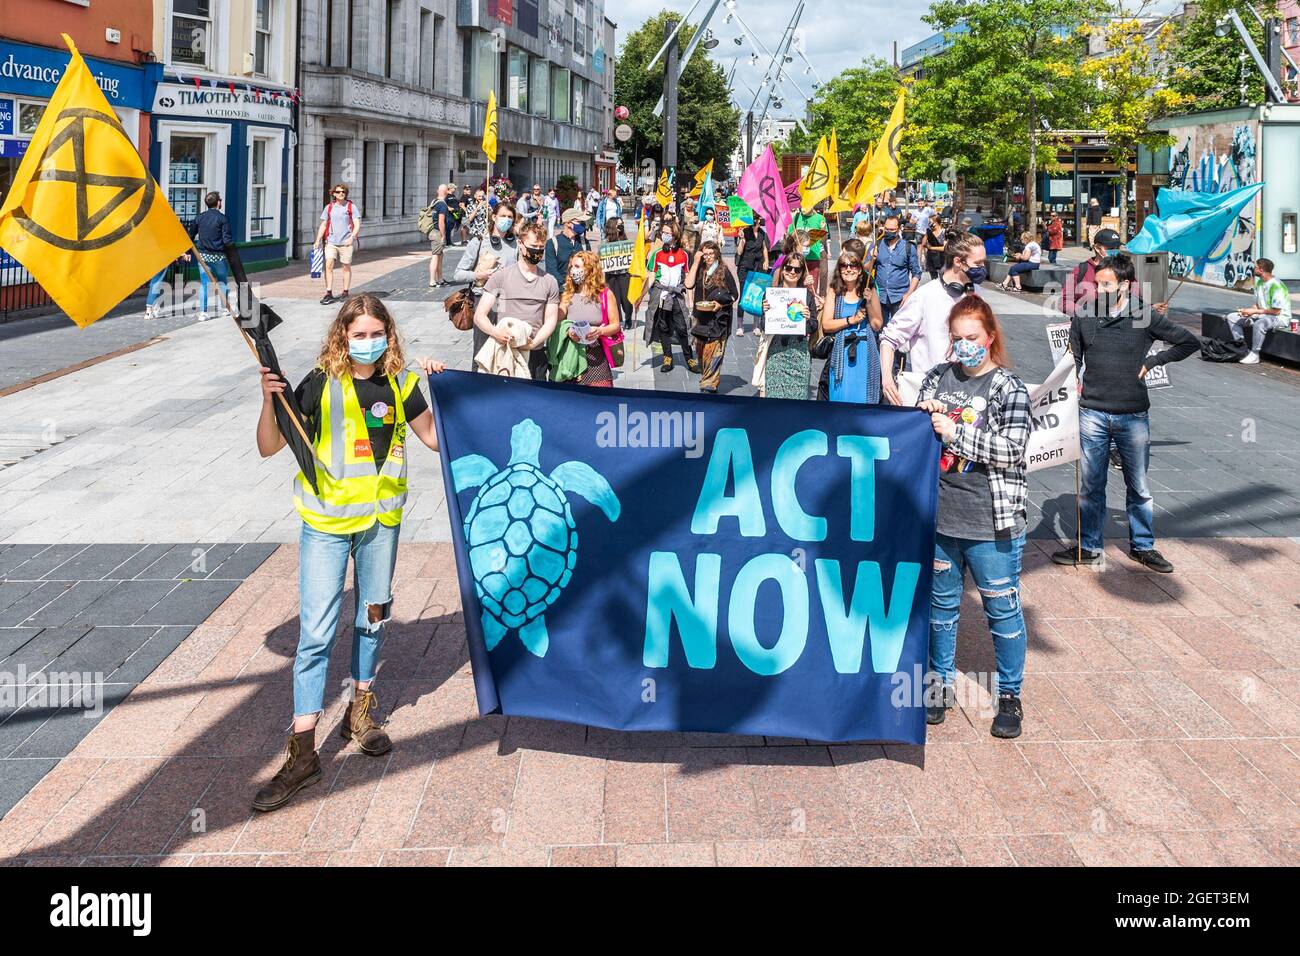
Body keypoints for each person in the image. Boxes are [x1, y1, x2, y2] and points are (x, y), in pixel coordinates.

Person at [251, 294, 445, 812]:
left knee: (374, 617)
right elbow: (270, 446)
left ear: (389, 334)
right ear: (343, 336)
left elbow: (434, 439)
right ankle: (303, 753)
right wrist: (269, 399)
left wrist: (445, 387)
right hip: (328, 524)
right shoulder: (320, 383)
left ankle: (359, 710)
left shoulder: (405, 383)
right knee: (315, 633)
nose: (367, 342)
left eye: (375, 332)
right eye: (357, 334)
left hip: (382, 524)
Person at [917, 295, 1032, 739]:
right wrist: (921, 415)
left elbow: (1013, 450)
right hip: (941, 517)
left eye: (972, 338)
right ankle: (939, 684)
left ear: (989, 338)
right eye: (956, 338)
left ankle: (1010, 696)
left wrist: (956, 433)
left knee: (1002, 611)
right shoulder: (936, 378)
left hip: (992, 522)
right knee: (941, 607)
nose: (964, 346)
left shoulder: (1008, 388)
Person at [1055, 253, 1199, 573]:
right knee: (1092, 486)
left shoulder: (1144, 315)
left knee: (1139, 486)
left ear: (1126, 285)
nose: (1100, 289)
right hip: (1092, 411)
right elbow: (1073, 358)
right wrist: (1067, 385)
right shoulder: (1084, 314)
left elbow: (1188, 342)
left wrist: (1153, 362)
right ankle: (1088, 545)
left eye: (1107, 285)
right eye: (1097, 284)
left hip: (1133, 415)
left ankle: (1143, 546)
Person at [880, 230, 988, 405]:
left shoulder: (976, 293)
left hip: (968, 393)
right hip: (931, 396)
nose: (982, 268)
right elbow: (889, 339)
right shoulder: (924, 296)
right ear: (958, 262)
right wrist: (887, 379)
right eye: (978, 263)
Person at [472, 220, 560, 382]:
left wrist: (534, 343)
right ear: (520, 244)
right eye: (533, 246)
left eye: (541, 248)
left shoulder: (549, 281)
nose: (537, 252)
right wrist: (495, 332)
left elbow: (550, 320)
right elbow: (480, 315)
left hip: (535, 353)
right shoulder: (501, 277)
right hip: (505, 351)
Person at [456, 202, 520, 360]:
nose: (506, 220)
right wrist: (479, 275)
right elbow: (458, 274)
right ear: (494, 217)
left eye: (510, 217)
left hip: (508, 300)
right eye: (503, 216)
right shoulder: (478, 242)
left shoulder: (517, 243)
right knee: (482, 349)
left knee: (506, 348)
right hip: (483, 299)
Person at [821, 252, 884, 404]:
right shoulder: (834, 291)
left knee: (863, 396)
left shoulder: (869, 289)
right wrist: (851, 320)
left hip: (864, 351)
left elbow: (877, 325)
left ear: (860, 269)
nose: (849, 269)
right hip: (841, 351)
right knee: (841, 395)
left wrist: (868, 303)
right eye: (844, 265)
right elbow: (827, 325)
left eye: (853, 265)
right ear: (839, 269)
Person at [556, 250, 621, 387]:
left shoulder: (605, 295)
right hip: (571, 356)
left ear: (590, 269)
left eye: (577, 267)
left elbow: (616, 325)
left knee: (600, 401)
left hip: (597, 357)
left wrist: (599, 331)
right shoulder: (568, 295)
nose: (573, 271)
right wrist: (568, 331)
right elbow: (557, 321)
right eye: (572, 267)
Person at [640, 220, 697, 373]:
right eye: (663, 232)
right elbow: (651, 277)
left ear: (675, 235)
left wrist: (690, 300)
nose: (664, 235)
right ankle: (668, 358)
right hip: (661, 295)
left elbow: (687, 278)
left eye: (667, 233)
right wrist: (640, 297)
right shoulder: (657, 254)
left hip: (677, 295)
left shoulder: (684, 255)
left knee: (683, 327)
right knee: (663, 327)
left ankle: (689, 358)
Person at [761, 252, 819, 400]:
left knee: (797, 403)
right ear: (782, 269)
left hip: (799, 353)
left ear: (801, 273)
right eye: (788, 268)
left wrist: (807, 318)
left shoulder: (807, 296)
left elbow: (813, 327)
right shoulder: (771, 295)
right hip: (776, 353)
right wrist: (766, 313)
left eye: (797, 270)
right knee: (775, 400)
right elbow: (764, 326)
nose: (792, 272)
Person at [686, 240, 737, 393]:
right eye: (705, 254)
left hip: (718, 320)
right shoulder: (700, 269)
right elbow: (688, 285)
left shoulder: (723, 270)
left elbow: (734, 295)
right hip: (700, 319)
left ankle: (709, 385)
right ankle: (707, 378)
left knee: (714, 353)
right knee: (702, 355)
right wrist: (695, 262)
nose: (707, 257)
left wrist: (720, 305)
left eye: (710, 254)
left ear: (716, 254)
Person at [1223, 257, 1293, 364]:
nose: (1253, 269)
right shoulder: (1260, 282)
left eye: (1255, 267)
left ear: (1261, 270)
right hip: (1263, 314)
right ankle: (1242, 349)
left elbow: (1276, 311)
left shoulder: (1277, 286)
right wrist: (1248, 311)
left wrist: (1254, 312)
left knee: (1260, 324)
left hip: (1280, 318)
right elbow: (1258, 304)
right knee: (1232, 317)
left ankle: (1255, 354)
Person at [313, 184, 361, 307]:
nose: (341, 194)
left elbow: (357, 224)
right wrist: (318, 240)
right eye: (338, 192)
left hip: (346, 243)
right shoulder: (329, 208)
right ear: (333, 193)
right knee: (328, 264)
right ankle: (329, 293)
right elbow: (324, 225)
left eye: (343, 192)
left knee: (346, 267)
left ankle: (345, 292)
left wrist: (352, 238)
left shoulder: (351, 207)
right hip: (331, 242)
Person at [190, 191, 234, 321]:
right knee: (222, 281)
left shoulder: (199, 218)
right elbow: (227, 240)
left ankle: (203, 312)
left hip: (203, 256)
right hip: (219, 256)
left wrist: (187, 252)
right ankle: (224, 308)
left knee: (204, 284)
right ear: (218, 203)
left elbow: (190, 236)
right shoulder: (223, 218)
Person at [1057, 227, 1122, 316]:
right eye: (1111, 247)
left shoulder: (1123, 268)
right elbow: (1064, 302)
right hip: (1087, 324)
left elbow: (1137, 298)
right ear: (1097, 248)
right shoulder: (1081, 270)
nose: (1115, 250)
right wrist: (1084, 313)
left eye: (1117, 247)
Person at [874, 214, 921, 325]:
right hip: (880, 296)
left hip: (899, 297)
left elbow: (916, 274)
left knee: (898, 330)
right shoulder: (878, 244)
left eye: (892, 230)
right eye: (887, 229)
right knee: (880, 329)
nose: (889, 232)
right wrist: (872, 258)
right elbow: (866, 268)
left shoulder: (908, 247)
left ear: (899, 229)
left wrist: (909, 294)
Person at [734, 216, 769, 337]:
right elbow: (739, 252)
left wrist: (766, 261)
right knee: (744, 295)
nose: (759, 221)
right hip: (745, 266)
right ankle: (740, 325)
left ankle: (756, 325)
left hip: (758, 266)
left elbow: (764, 248)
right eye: (757, 219)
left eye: (759, 219)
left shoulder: (762, 233)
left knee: (758, 295)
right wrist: (742, 240)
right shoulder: (744, 232)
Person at [602, 217, 635, 332]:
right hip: (611, 276)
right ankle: (618, 320)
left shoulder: (625, 239)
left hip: (624, 274)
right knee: (614, 298)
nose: (621, 226)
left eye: (622, 224)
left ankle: (628, 317)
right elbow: (601, 257)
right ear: (613, 226)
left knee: (626, 299)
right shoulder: (606, 241)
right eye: (618, 225)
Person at [544, 208, 591, 286]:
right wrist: (567, 285)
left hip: (581, 290)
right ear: (569, 223)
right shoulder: (552, 243)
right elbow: (551, 270)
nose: (583, 224)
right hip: (561, 291)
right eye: (580, 222)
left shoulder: (584, 242)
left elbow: (590, 265)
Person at [789, 202, 828, 290]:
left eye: (806, 205)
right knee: (798, 286)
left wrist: (823, 229)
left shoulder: (820, 218)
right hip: (798, 258)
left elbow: (823, 241)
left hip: (813, 258)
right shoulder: (796, 217)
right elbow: (790, 237)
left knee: (811, 288)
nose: (803, 208)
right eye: (802, 205)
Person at [427, 183, 451, 288]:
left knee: (440, 256)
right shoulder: (442, 205)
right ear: (446, 192)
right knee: (435, 256)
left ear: (438, 191)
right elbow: (441, 222)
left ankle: (440, 279)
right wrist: (443, 235)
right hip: (437, 232)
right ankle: (432, 280)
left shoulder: (434, 202)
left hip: (433, 231)